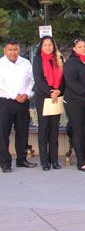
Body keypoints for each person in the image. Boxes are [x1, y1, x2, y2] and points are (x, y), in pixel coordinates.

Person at [63, 38, 85, 172]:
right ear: (74, 49)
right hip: (75, 102)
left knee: (84, 131)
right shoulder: (71, 63)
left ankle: (83, 159)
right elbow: (72, 83)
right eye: (80, 47)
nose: (83, 49)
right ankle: (81, 163)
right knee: (78, 131)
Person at [0, 38, 35, 173]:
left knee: (22, 131)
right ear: (5, 50)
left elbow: (31, 80)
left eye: (16, 49)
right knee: (3, 133)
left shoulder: (25, 63)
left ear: (19, 49)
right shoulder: (1, 64)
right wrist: (15, 95)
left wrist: (27, 94)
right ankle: (5, 162)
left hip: (23, 101)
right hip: (6, 102)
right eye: (10, 49)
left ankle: (22, 159)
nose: (13, 52)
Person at [32, 36, 64, 171]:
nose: (48, 47)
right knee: (44, 129)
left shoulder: (59, 58)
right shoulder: (38, 59)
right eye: (45, 45)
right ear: (41, 46)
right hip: (43, 97)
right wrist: (51, 92)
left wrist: (58, 91)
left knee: (54, 129)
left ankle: (54, 160)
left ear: (54, 46)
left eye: (50, 45)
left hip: (57, 97)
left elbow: (64, 78)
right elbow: (38, 79)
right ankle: (45, 162)